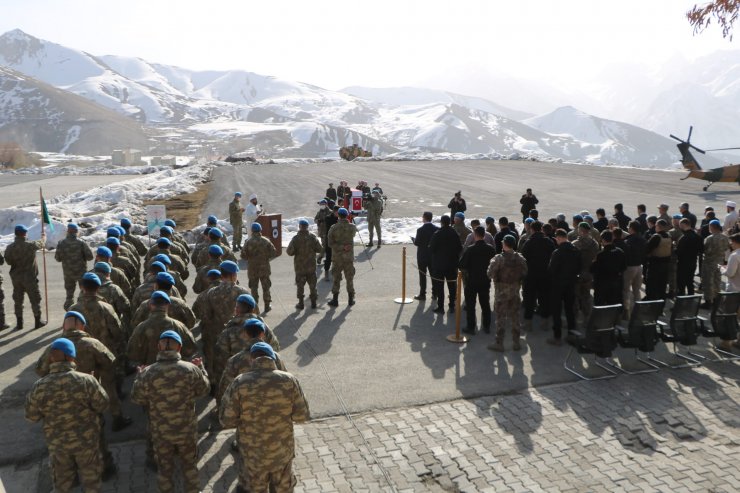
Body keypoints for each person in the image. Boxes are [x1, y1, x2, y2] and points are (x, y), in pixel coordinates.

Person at [35, 312, 127, 474]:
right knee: (96, 434)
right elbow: (110, 363)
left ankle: (71, 473)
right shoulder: (92, 344)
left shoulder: (54, 348)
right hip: (87, 398)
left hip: (59, 405)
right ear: (82, 326)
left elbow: (40, 371)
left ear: (64, 326)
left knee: (62, 438)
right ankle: (105, 468)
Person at [220, 342, 310, 493]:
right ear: (273, 358)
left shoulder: (240, 382)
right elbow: (302, 416)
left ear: (251, 359)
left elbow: (226, 420)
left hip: (253, 455)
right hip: (282, 452)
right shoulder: (289, 380)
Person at [25, 337, 109, 493]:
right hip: (86, 443)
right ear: (71, 357)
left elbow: (32, 417)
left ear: (51, 358)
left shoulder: (39, 386)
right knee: (92, 485)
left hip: (58, 446)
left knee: (62, 486)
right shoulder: (86, 381)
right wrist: (95, 383)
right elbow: (102, 405)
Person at [131, 330, 210, 493]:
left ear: (159, 347)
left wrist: (139, 377)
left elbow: (137, 398)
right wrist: (201, 369)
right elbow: (204, 390)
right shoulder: (190, 370)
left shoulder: (148, 372)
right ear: (179, 347)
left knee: (164, 470)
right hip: (186, 430)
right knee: (189, 467)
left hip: (161, 432)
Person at [201, 261, 250, 380]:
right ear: (234, 275)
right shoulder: (242, 292)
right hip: (238, 334)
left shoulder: (211, 293)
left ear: (221, 275)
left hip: (216, 333)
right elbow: (252, 314)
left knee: (217, 362)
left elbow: (206, 316)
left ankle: (215, 384)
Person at [127, 291, 197, 366]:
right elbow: (191, 349)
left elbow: (132, 354)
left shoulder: (141, 327)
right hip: (177, 370)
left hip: (150, 372)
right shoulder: (179, 326)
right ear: (168, 305)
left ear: (150, 305)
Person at [487, 235, 527, 352]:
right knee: (515, 317)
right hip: (515, 292)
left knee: (500, 318)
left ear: (504, 244)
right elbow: (525, 273)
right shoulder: (520, 258)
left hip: (501, 293)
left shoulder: (498, 258)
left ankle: (499, 343)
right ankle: (516, 342)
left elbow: (489, 273)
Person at [4, 224, 45, 331]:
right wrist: (43, 237)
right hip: (29, 277)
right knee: (34, 299)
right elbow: (41, 244)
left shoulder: (9, 248)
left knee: (18, 300)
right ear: (25, 233)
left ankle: (19, 323)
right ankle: (37, 321)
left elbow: (8, 262)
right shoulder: (30, 245)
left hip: (16, 278)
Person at [458, 226, 496, 334]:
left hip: (472, 280)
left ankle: (471, 327)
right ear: (484, 235)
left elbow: (462, 264)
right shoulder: (490, 249)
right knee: (485, 304)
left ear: (475, 235)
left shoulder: (471, 249)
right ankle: (487, 326)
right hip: (485, 280)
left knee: (470, 305)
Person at [547, 229, 580, 345]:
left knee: (556, 310)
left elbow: (551, 270)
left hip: (558, 285)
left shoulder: (558, 252)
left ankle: (557, 337)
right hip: (571, 284)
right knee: (569, 309)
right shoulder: (575, 250)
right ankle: (571, 334)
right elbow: (579, 267)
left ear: (559, 238)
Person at [520, 221, 555, 323]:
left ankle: (528, 322)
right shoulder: (549, 242)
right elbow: (553, 257)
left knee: (529, 299)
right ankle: (545, 322)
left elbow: (523, 259)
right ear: (541, 229)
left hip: (531, 275)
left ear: (532, 229)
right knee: (544, 298)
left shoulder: (529, 242)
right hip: (545, 274)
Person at [55, 223, 93, 310]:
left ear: (68, 231)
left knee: (69, 295)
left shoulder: (61, 243)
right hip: (81, 273)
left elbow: (58, 258)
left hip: (68, 274)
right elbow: (90, 257)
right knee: (84, 293)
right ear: (76, 232)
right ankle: (83, 310)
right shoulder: (81, 243)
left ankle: (69, 313)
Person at [429, 215, 462, 315]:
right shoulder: (454, 233)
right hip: (452, 264)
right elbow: (460, 248)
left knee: (440, 286)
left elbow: (431, 249)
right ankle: (452, 305)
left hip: (439, 265)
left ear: (442, 222)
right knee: (452, 286)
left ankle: (441, 306)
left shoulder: (437, 233)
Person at [286, 219, 323, 309]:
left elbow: (289, 252)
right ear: (307, 227)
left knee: (300, 286)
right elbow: (320, 249)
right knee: (313, 285)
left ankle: (301, 303)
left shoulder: (295, 239)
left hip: (300, 267)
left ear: (299, 226)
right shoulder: (313, 237)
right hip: (311, 266)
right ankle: (313, 302)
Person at [242, 222, 278, 313]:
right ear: (260, 230)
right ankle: (267, 305)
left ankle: (255, 307)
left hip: (252, 269)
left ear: (252, 231)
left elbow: (243, 255)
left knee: (254, 288)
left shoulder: (248, 242)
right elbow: (274, 253)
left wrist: (250, 257)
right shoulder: (266, 241)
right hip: (264, 268)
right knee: (266, 287)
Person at [327, 208, 358, 307]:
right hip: (348, 257)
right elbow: (353, 234)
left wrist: (340, 247)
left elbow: (330, 243)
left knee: (336, 278)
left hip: (337, 258)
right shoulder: (352, 227)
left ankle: (335, 300)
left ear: (338, 215)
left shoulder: (333, 228)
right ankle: (350, 299)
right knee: (349, 278)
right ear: (347, 215)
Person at [591, 230, 626, 306]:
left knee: (600, 306)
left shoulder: (601, 255)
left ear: (603, 240)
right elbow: (624, 267)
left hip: (602, 285)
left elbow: (593, 269)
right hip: (616, 283)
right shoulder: (620, 251)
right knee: (614, 305)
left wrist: (593, 262)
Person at [573, 222, 600, 321]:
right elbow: (596, 258)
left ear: (581, 230)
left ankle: (575, 319)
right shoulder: (595, 244)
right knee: (586, 297)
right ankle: (587, 318)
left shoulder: (575, 244)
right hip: (589, 273)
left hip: (577, 274)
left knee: (575, 297)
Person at [701, 219, 729, 309]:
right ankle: (717, 299)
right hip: (719, 262)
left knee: (708, 282)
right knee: (717, 281)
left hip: (709, 263)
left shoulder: (709, 238)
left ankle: (708, 301)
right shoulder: (724, 237)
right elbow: (726, 248)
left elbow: (705, 250)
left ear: (712, 227)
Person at [622, 221, 647, 319]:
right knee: (637, 291)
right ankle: (637, 312)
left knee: (626, 290)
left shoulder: (629, 241)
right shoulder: (643, 239)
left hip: (629, 267)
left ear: (631, 228)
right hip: (639, 266)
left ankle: (626, 312)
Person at [412, 212, 439, 301]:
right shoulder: (436, 229)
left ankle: (422, 294)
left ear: (424, 218)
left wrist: (414, 240)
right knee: (433, 275)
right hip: (433, 256)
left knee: (422, 275)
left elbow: (417, 243)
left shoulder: (420, 230)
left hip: (422, 256)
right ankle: (435, 293)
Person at [644, 219, 672, 300]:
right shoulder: (669, 236)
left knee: (651, 285)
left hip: (655, 265)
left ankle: (650, 301)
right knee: (662, 286)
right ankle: (661, 303)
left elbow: (647, 249)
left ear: (658, 226)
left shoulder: (656, 237)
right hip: (665, 265)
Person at [676, 218, 703, 296]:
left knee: (681, 283)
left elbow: (678, 252)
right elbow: (701, 250)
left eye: (680, 226)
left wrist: (674, 248)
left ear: (683, 225)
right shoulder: (698, 237)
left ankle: (681, 301)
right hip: (693, 262)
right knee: (690, 281)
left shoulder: (683, 238)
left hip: (683, 263)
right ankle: (691, 300)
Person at [314, 199, 331, 264]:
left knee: (325, 245)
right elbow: (315, 219)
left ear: (326, 205)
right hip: (321, 231)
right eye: (321, 205)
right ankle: (328, 258)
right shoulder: (319, 212)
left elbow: (331, 220)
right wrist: (318, 221)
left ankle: (320, 257)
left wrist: (324, 221)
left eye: (323, 205)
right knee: (326, 245)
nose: (321, 206)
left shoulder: (329, 212)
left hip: (327, 231)